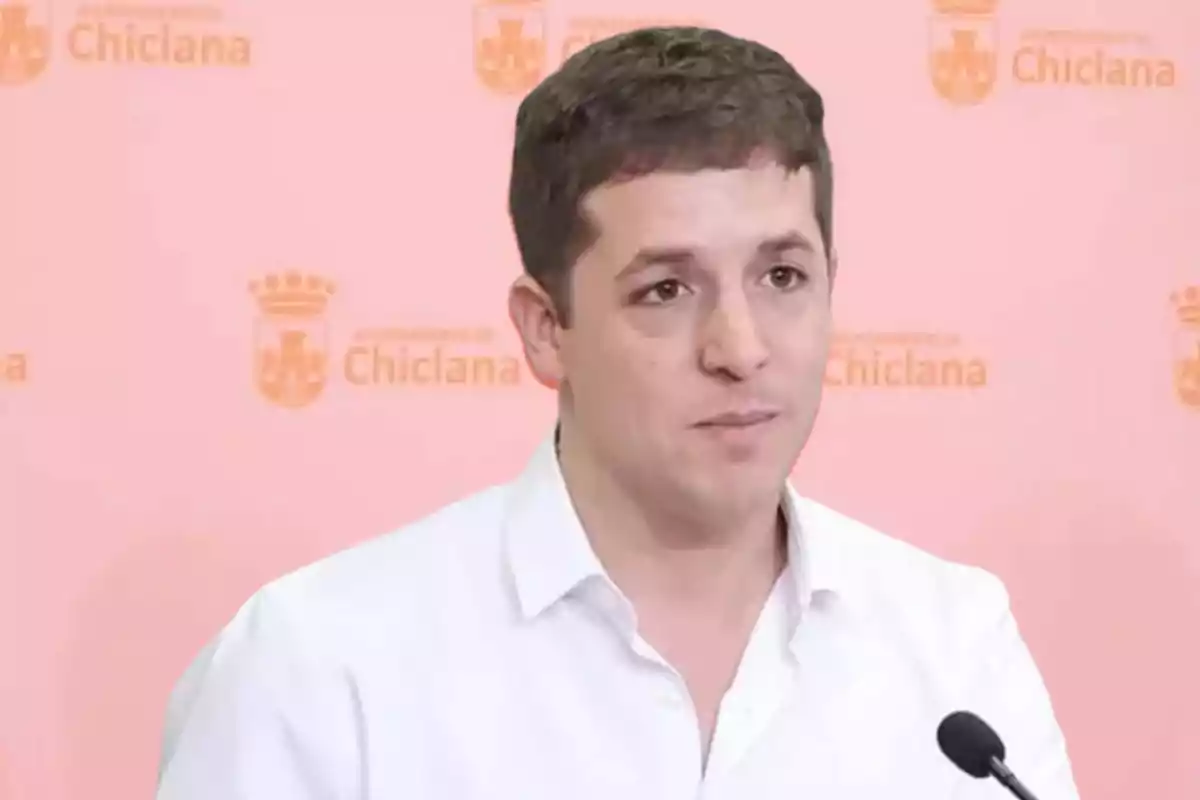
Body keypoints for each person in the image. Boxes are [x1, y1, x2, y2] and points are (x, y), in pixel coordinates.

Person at [155, 26, 1080, 799]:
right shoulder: (322, 664)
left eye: (783, 277)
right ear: (546, 328)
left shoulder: (953, 642)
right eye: (667, 289)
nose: (741, 347)